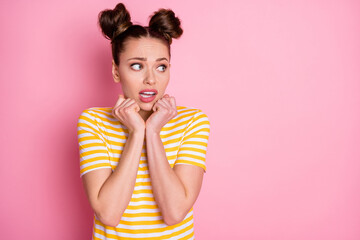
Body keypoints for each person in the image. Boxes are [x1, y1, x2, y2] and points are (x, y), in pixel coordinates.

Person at [77, 3, 210, 239]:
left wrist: (153, 133)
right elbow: (108, 214)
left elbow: (174, 212)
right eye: (137, 66)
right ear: (116, 71)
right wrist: (137, 132)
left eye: (161, 67)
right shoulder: (93, 122)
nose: (151, 79)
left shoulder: (193, 122)